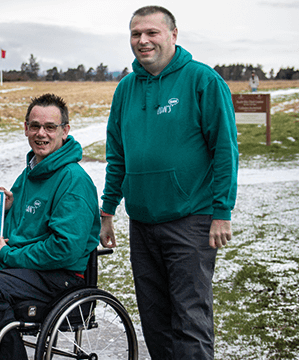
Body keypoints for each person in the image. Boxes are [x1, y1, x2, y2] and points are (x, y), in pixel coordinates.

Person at [100, 6, 238, 360]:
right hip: (143, 224)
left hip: (190, 220)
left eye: (151, 33)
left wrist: (222, 210)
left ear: (173, 35)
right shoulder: (126, 89)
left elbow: (225, 149)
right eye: (135, 34)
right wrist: (108, 209)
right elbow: (118, 155)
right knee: (155, 321)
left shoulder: (202, 80)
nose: (143, 41)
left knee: (190, 320)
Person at [0, 94, 100, 360]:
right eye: (34, 126)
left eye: (50, 127)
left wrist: (9, 256)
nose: (41, 134)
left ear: (65, 131)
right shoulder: (29, 173)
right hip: (26, 270)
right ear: (25, 128)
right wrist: (9, 211)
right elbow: (20, 232)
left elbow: (64, 249)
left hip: (61, 276)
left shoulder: (74, 181)